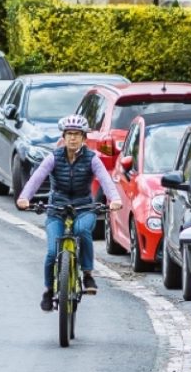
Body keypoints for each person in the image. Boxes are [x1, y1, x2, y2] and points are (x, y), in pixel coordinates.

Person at [17, 114, 119, 311]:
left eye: (77, 134)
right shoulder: (53, 157)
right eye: (69, 134)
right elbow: (37, 177)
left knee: (82, 230)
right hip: (57, 208)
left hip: (83, 206)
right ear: (63, 137)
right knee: (52, 252)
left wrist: (114, 199)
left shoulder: (92, 159)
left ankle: (88, 274)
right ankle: (48, 290)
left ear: (84, 138)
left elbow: (106, 180)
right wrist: (25, 197)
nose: (73, 138)